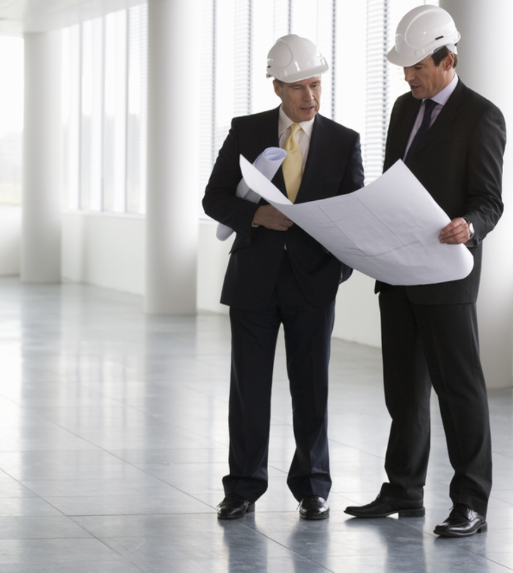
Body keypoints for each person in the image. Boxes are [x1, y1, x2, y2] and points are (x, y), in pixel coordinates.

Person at [343, 6, 505, 538]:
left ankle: (471, 502)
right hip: (398, 271)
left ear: (448, 60)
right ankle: (404, 489)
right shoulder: (402, 108)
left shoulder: (481, 116)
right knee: (404, 389)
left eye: (417, 67)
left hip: (447, 274)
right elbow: (395, 185)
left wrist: (470, 226)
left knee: (460, 391)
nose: (408, 76)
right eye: (405, 67)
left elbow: (489, 202)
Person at [203, 34, 364, 521]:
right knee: (248, 389)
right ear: (277, 87)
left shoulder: (343, 141)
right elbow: (214, 198)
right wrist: (257, 218)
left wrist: (336, 272)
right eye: (298, 88)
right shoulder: (246, 131)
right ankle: (244, 486)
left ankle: (312, 486)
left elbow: (355, 216)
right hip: (254, 279)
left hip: (313, 283)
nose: (310, 97)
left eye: (316, 85)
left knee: (311, 387)